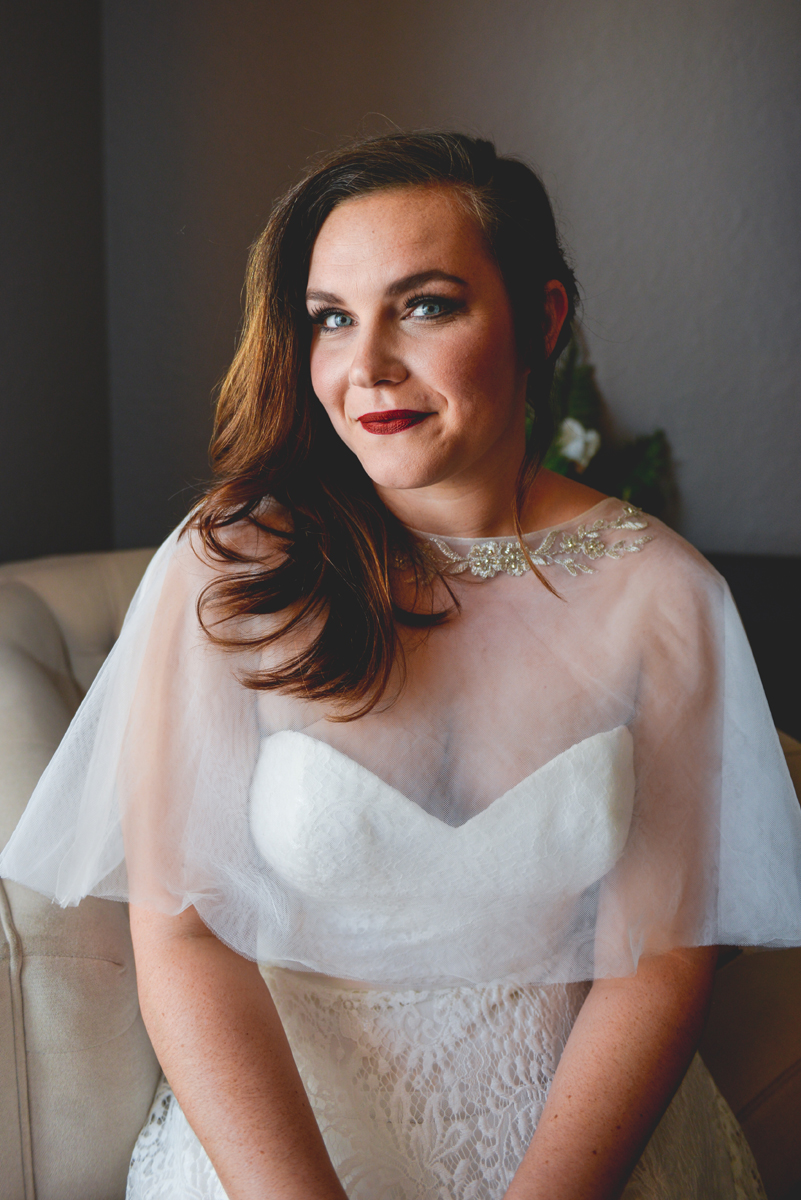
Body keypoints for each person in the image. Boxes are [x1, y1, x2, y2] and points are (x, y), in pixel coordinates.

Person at [2, 130, 801, 1200]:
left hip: (589, 1148)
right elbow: (184, 940)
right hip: (278, 1149)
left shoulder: (665, 595)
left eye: (424, 305)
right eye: (331, 318)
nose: (365, 367)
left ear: (542, 319)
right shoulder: (231, 570)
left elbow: (658, 960)